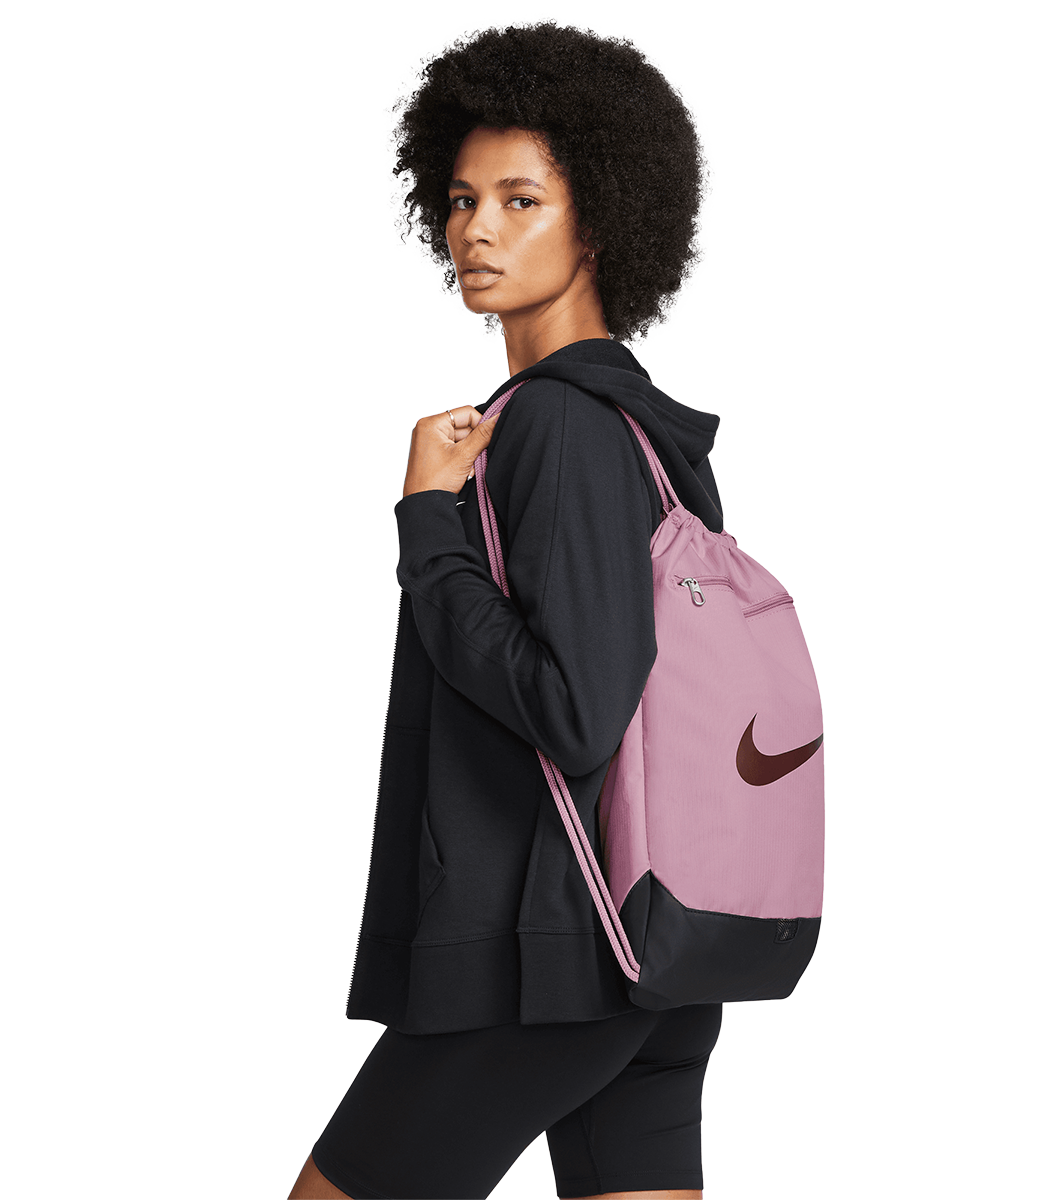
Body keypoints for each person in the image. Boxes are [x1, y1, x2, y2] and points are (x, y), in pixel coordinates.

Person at [288, 17, 726, 1200]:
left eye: (521, 200)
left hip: (545, 958)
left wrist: (428, 522)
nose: (476, 229)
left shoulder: (561, 425)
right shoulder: (645, 436)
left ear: (602, 220)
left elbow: (576, 708)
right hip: (653, 937)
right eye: (462, 198)